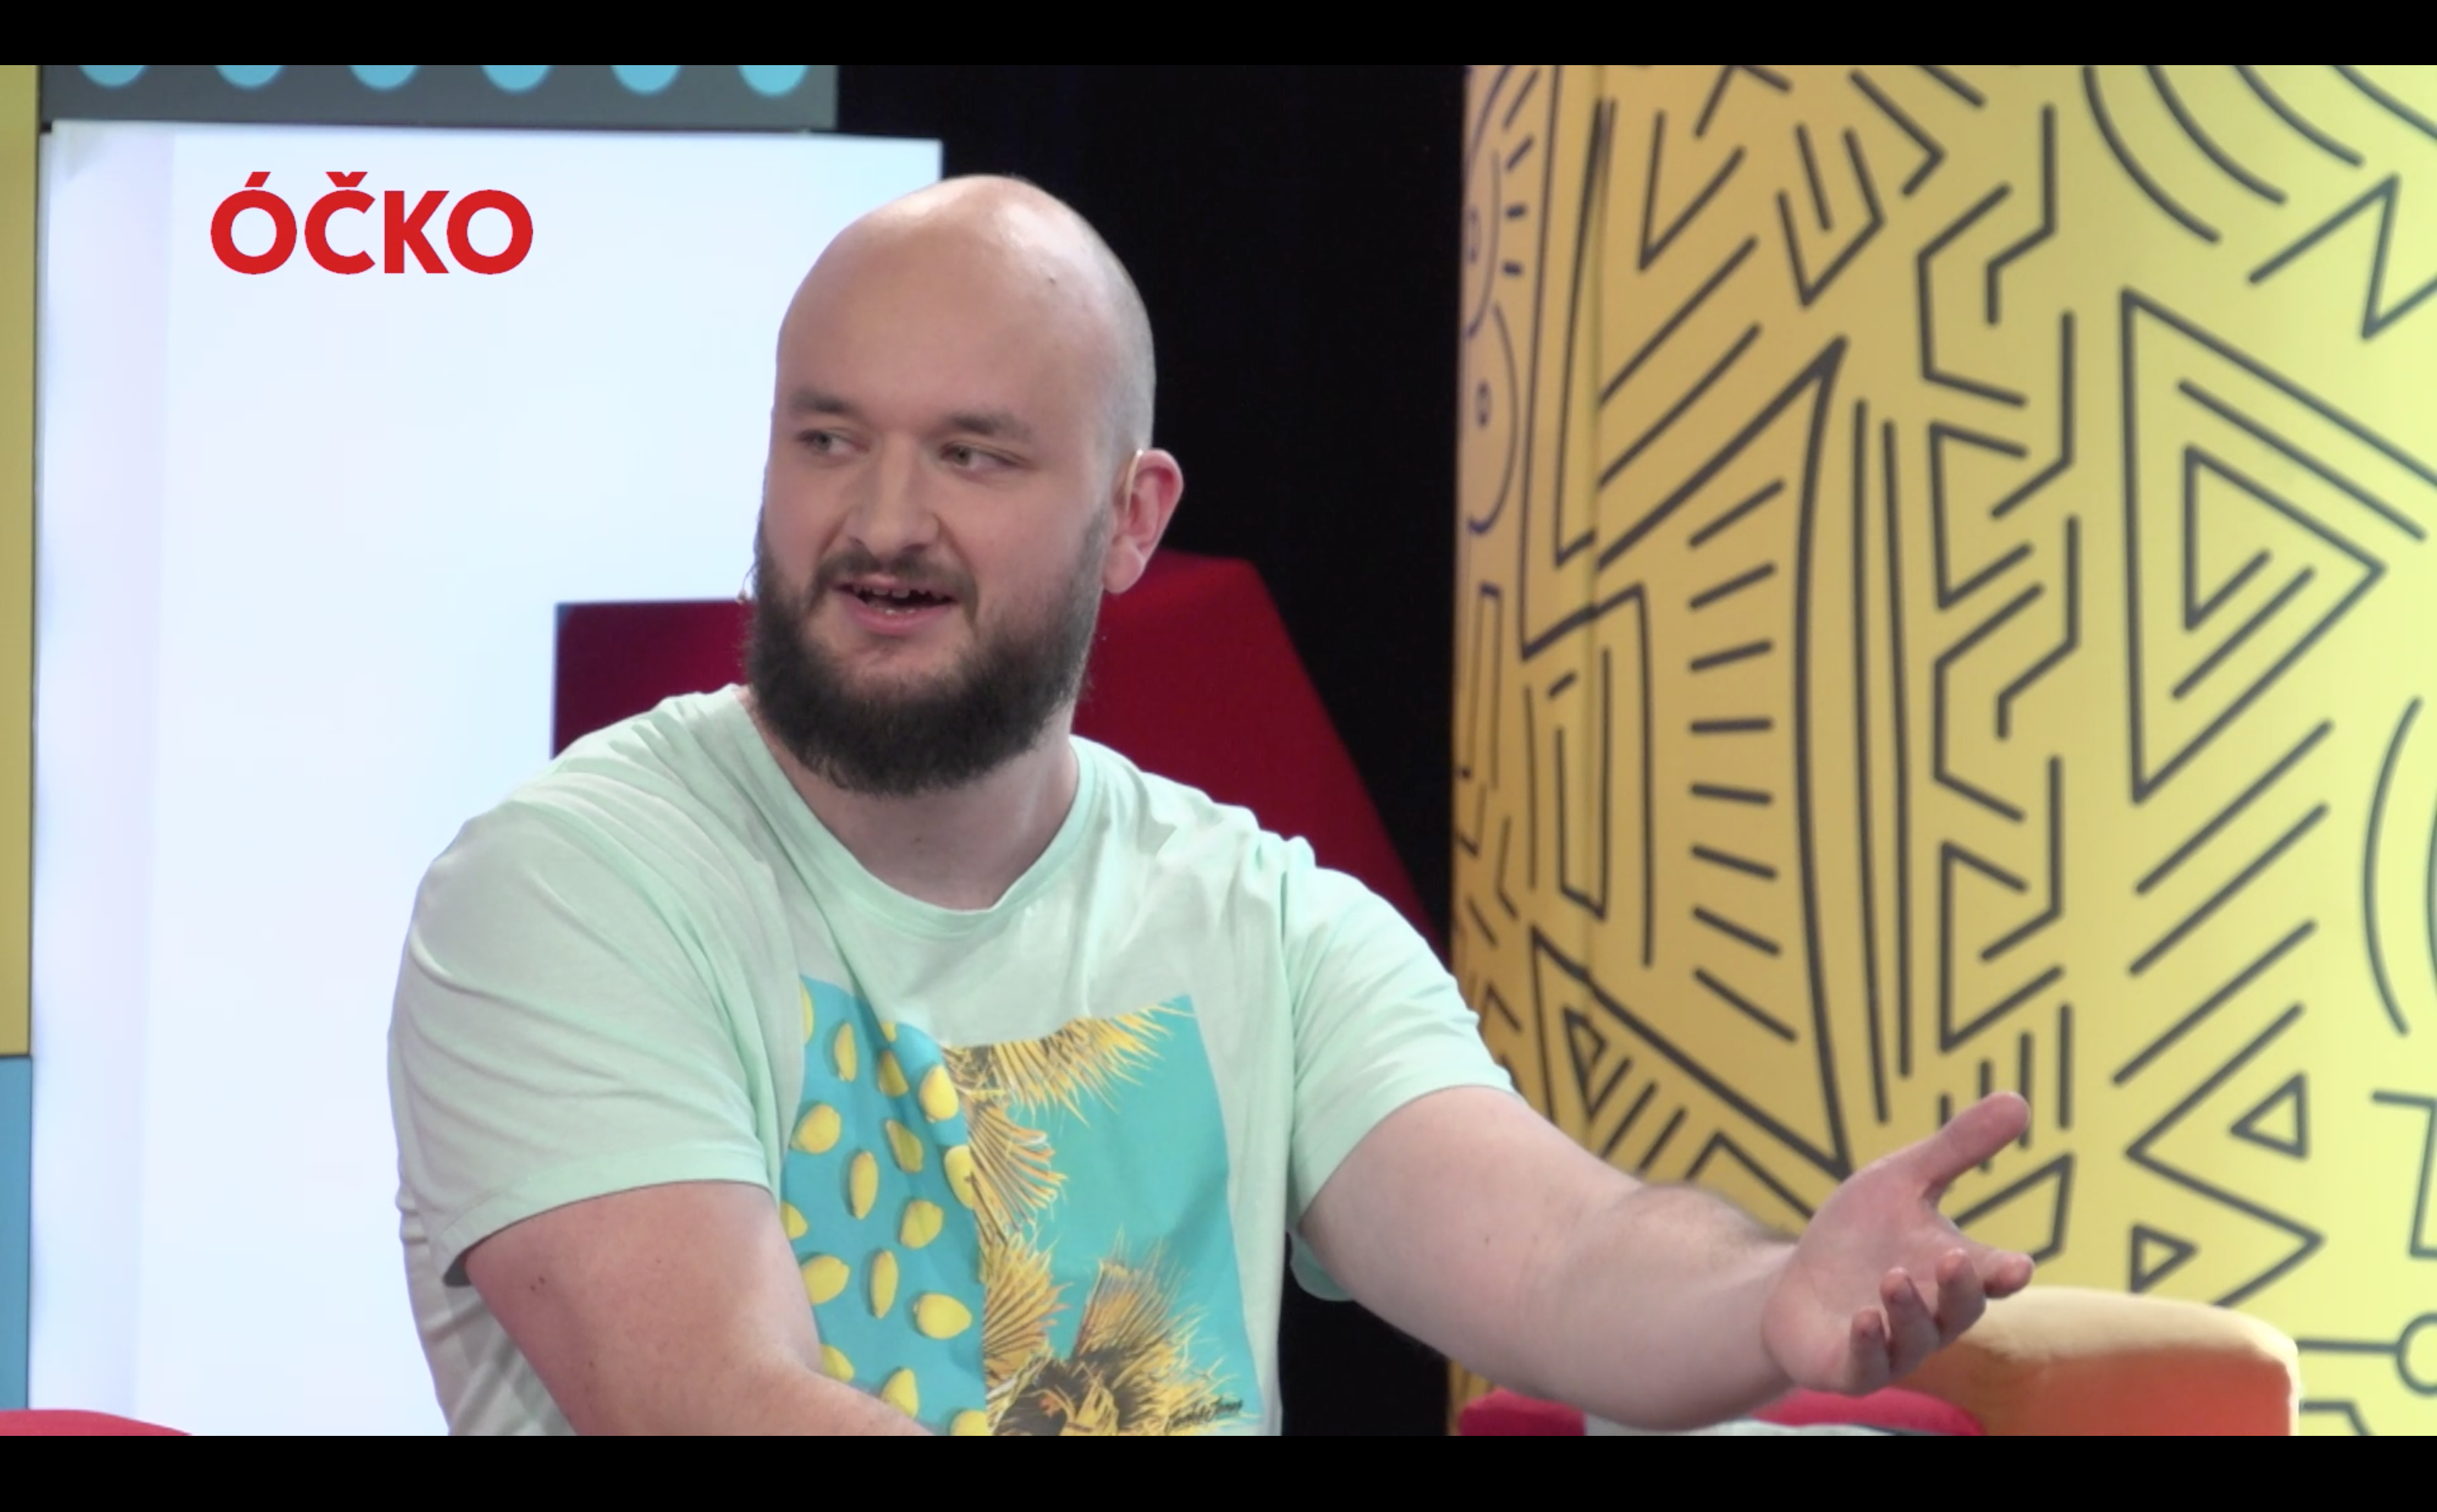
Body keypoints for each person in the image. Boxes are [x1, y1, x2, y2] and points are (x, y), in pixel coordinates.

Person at [388, 175, 2034, 1437]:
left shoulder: (1262, 919)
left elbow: (1556, 1256)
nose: (882, 521)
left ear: (1132, 518)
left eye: (973, 455)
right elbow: (716, 1404)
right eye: (830, 439)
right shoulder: (569, 890)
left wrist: (1771, 1299)